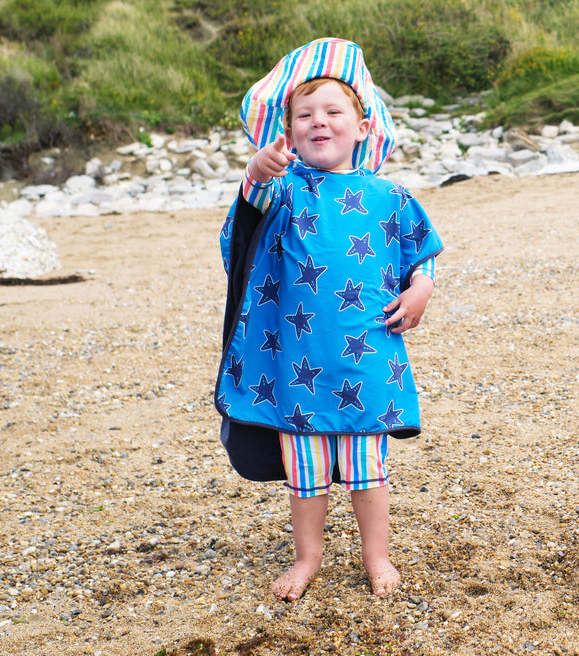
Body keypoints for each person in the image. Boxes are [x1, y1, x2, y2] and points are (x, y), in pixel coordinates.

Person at [214, 38, 443, 601]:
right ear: (288, 132)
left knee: (369, 469)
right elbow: (248, 217)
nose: (319, 122)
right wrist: (258, 169)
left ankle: (377, 556)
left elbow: (423, 252)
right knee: (306, 475)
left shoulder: (390, 196)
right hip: (295, 362)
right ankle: (308, 558)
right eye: (304, 115)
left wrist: (422, 289)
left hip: (366, 357)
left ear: (362, 127)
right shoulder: (285, 191)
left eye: (334, 112)